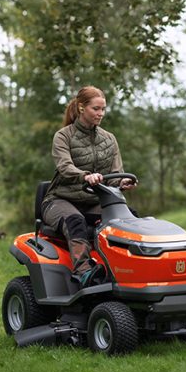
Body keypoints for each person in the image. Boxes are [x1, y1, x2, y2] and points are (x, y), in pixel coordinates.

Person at [41, 86, 135, 286]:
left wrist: (122, 182)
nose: (100, 114)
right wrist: (85, 176)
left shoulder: (109, 139)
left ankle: (129, 270)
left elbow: (115, 175)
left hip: (93, 201)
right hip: (59, 200)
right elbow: (65, 167)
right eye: (96, 109)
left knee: (130, 218)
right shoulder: (63, 136)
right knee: (75, 221)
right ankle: (83, 272)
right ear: (82, 107)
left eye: (103, 109)